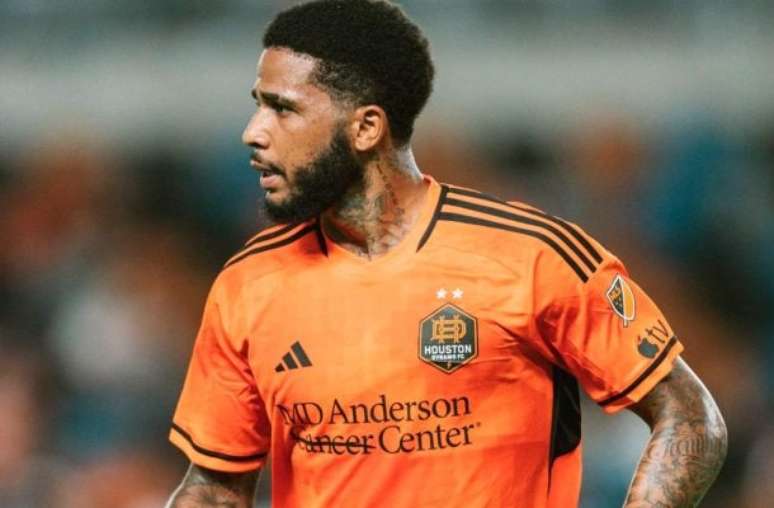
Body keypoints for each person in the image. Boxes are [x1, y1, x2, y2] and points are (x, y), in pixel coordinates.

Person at [165, 1, 727, 507]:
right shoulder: (247, 284)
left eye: (282, 110)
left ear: (366, 128)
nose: (253, 132)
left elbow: (689, 415)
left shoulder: (533, 258)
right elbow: (215, 488)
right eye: (258, 106)